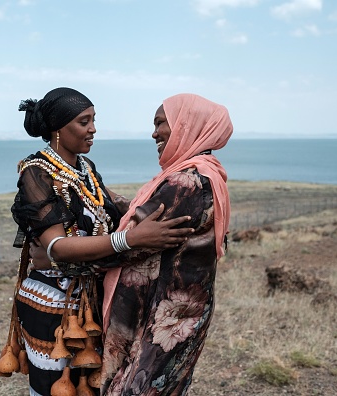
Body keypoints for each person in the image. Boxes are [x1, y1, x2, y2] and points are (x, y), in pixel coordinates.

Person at [0, 87, 193, 396]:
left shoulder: (86, 170)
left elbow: (118, 207)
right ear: (57, 129)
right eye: (83, 121)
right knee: (56, 388)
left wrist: (180, 206)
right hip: (53, 305)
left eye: (93, 120)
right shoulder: (36, 173)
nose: (93, 129)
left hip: (93, 301)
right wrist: (129, 239)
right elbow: (56, 248)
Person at [99, 93, 233, 395]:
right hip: (178, 313)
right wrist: (98, 190)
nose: (154, 133)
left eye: (161, 123)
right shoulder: (204, 172)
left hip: (165, 320)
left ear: (186, 125)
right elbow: (142, 214)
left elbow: (134, 240)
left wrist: (59, 253)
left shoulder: (187, 182)